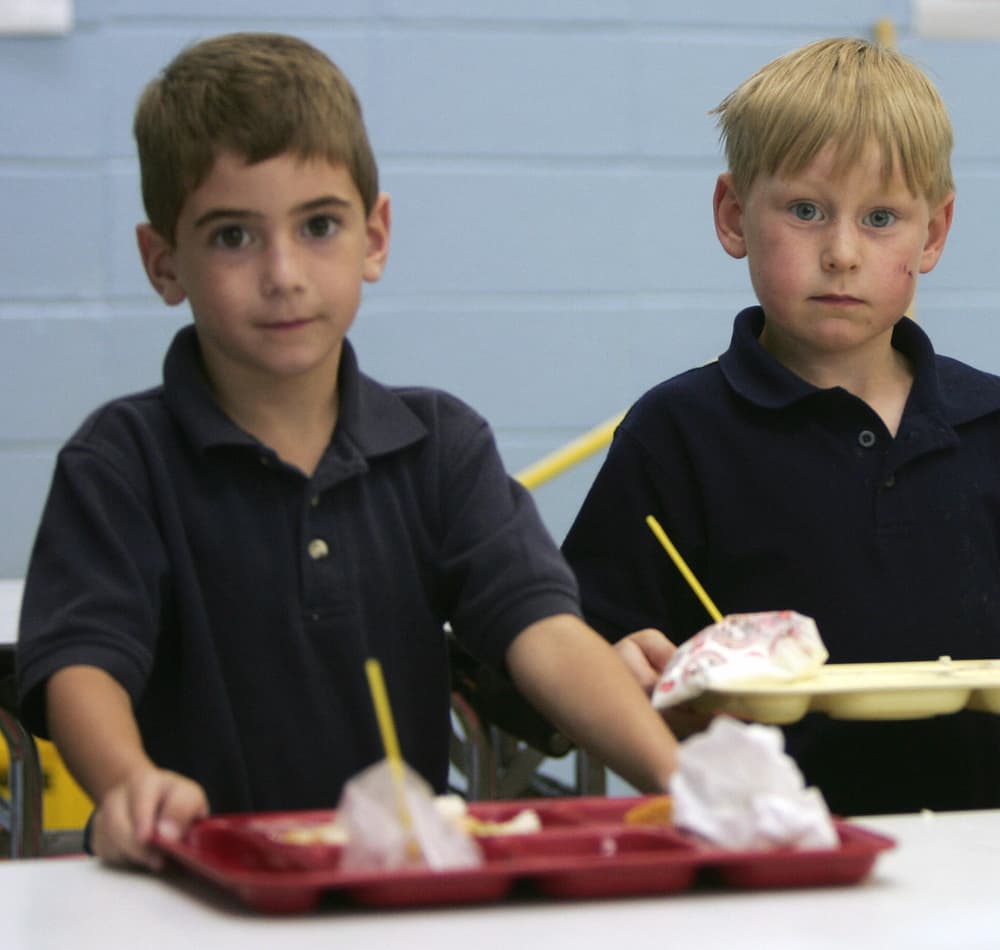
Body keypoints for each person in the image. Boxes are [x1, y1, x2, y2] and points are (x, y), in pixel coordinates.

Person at [15, 32, 677, 869]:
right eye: (231, 237)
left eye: (319, 224)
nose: (283, 272)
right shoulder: (120, 461)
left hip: (399, 890)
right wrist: (129, 783)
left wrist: (678, 774)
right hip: (195, 889)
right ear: (162, 262)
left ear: (374, 236)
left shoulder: (441, 447)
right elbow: (83, 661)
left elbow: (540, 630)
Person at [562, 37, 1000, 818]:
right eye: (805, 210)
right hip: (763, 862)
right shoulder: (676, 433)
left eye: (881, 217)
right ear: (733, 216)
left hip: (989, 862)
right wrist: (632, 673)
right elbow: (580, 656)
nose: (843, 253)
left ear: (933, 233)